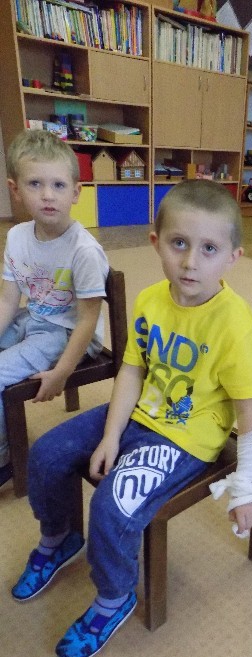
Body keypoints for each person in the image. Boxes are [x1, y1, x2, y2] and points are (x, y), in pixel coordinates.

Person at [11, 179, 252, 657]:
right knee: (47, 453)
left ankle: (115, 596)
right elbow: (132, 369)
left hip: (186, 440)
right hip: (135, 416)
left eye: (209, 249)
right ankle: (60, 537)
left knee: (112, 506)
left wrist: (249, 485)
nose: (190, 262)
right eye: (179, 243)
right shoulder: (151, 300)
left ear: (233, 257)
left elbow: (249, 412)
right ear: (156, 242)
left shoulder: (234, 322)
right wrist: (111, 435)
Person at [0, 129, 109, 488]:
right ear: (15, 189)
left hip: (70, 332)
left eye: (58, 185)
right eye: (35, 184)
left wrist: (62, 373)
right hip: (33, 318)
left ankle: (5, 458)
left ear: (76, 192)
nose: (48, 195)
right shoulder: (17, 237)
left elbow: (88, 320)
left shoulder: (84, 251)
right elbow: (7, 300)